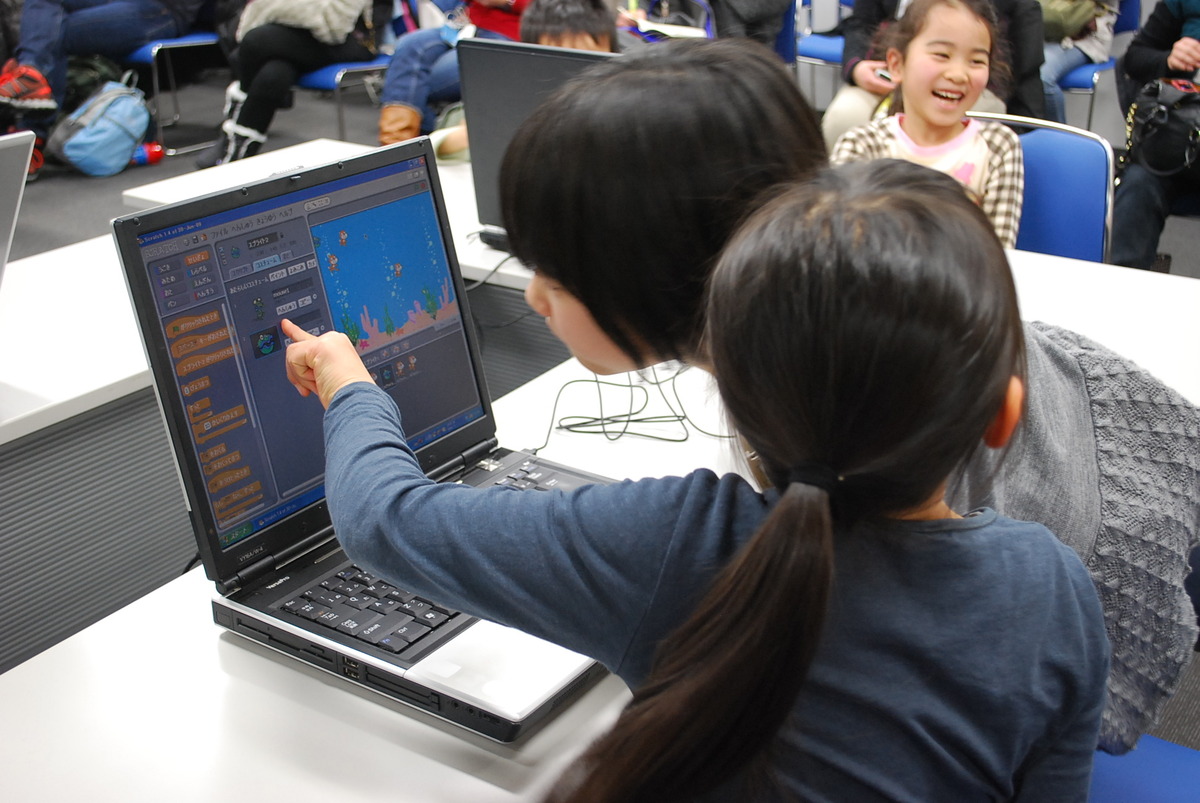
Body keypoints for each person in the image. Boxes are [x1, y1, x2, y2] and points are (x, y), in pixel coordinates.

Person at [281, 143, 1110, 796]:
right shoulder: (1053, 591)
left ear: (728, 393)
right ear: (1003, 415)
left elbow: (380, 517)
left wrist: (348, 384)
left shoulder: (677, 544)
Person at [829, 0, 1024, 248]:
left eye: (976, 61)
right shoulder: (862, 145)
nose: (958, 74)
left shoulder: (998, 146)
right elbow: (841, 245)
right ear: (896, 64)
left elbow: (998, 250)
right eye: (942, 55)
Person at [0, 0, 208, 178]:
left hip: (163, 8)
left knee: (50, 33)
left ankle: (31, 136)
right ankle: (32, 78)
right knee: (46, 17)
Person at [820, 0, 1045, 149]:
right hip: (887, 76)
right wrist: (857, 67)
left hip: (978, 89)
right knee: (845, 116)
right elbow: (860, 24)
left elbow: (1022, 60)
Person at [195, 0, 391, 168]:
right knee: (275, 72)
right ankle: (238, 149)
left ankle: (234, 138)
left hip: (356, 38)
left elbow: (334, 23)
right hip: (306, 32)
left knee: (256, 41)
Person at [429, 0, 621, 160]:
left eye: (586, 63)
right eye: (557, 65)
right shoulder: (513, 102)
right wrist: (467, 136)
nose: (573, 79)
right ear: (529, 61)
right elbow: (440, 144)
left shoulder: (620, 105)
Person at [1109, 0, 1200, 271]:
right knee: (1138, 185)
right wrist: (1169, 59)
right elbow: (1135, 58)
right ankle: (1123, 284)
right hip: (1176, 146)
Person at [376, 0, 529, 146]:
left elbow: (542, 10)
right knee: (410, 45)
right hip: (467, 26)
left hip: (510, 37)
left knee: (412, 82)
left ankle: (414, 145)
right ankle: (395, 146)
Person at [1040, 0, 1118, 124]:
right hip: (1044, 30)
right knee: (1013, 67)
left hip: (1084, 38)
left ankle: (1059, 134)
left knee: (1043, 77)